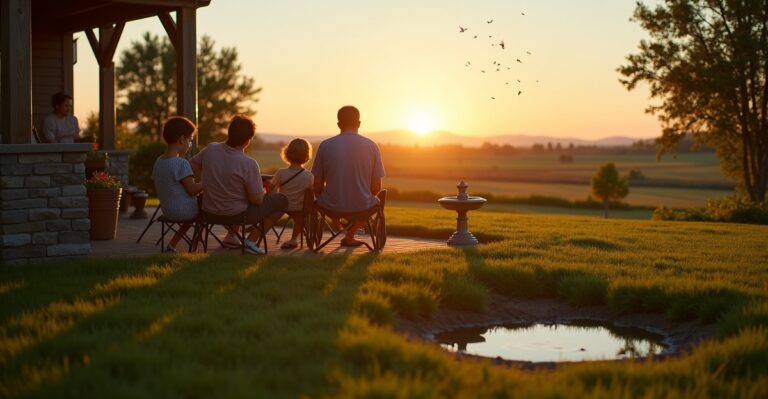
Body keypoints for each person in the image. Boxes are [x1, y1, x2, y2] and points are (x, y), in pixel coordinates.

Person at [190, 115, 288, 255]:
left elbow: (190, 166)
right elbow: (257, 200)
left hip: (208, 212)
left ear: (229, 132)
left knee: (237, 194)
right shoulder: (248, 164)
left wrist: (206, 180)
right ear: (248, 140)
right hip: (236, 215)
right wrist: (266, 188)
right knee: (282, 201)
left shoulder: (210, 149)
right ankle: (251, 241)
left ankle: (232, 236)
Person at [312, 105, 385, 247]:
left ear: (338, 124)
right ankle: (350, 234)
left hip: (331, 205)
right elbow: (376, 187)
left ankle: (342, 228)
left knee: (321, 200)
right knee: (376, 203)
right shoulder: (372, 146)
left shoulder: (325, 145)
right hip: (362, 206)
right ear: (359, 124)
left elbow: (317, 186)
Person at [151, 116, 203, 253]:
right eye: (190, 140)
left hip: (168, 211)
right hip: (184, 211)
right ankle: (196, 245)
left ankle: (172, 245)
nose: (190, 144)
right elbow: (192, 190)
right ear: (181, 139)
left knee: (198, 209)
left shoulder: (159, 161)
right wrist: (208, 182)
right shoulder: (181, 163)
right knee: (206, 205)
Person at [270, 138, 314, 249]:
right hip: (300, 209)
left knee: (273, 214)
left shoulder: (281, 173)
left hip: (283, 207)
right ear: (306, 155)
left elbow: (272, 190)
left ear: (287, 153)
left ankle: (257, 233)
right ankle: (294, 239)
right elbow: (311, 194)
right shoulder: (309, 176)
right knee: (300, 218)